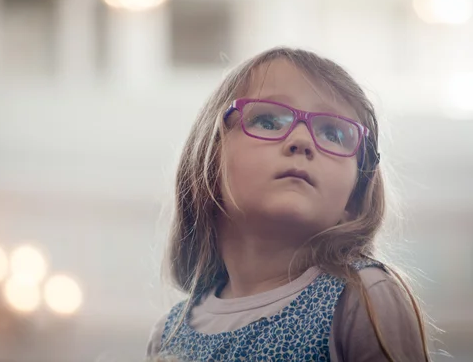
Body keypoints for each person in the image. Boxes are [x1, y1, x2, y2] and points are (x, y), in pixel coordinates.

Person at [146, 47, 429, 361]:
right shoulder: (168, 336)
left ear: (356, 194)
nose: (302, 140)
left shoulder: (361, 298)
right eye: (268, 120)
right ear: (209, 163)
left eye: (334, 133)